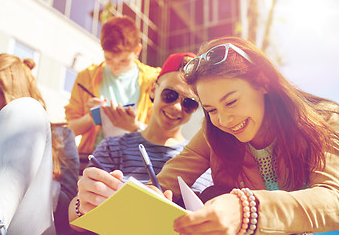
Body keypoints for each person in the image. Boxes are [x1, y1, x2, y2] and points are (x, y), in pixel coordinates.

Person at [71, 36, 339, 234]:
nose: (223, 120)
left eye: (231, 102)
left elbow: (333, 200)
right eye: (210, 109)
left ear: (263, 83)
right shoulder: (212, 132)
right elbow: (170, 179)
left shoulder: (322, 120)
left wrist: (247, 209)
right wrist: (137, 198)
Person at [68, 52, 213, 231]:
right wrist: (83, 203)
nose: (176, 107)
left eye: (189, 103)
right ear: (153, 89)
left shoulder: (205, 162)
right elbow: (74, 218)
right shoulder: (114, 147)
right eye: (170, 94)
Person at [0, 54, 80, 235]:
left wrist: (27, 168)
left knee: (27, 111)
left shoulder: (61, 135)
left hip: (29, 223)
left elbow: (67, 207)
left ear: (6, 92)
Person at [65, 15, 161, 157]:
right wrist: (91, 118)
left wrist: (134, 126)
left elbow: (163, 134)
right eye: (108, 59)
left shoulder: (154, 80)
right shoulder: (86, 77)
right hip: (92, 161)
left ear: (137, 50)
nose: (115, 67)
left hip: (137, 164)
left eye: (123, 61)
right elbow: (69, 131)